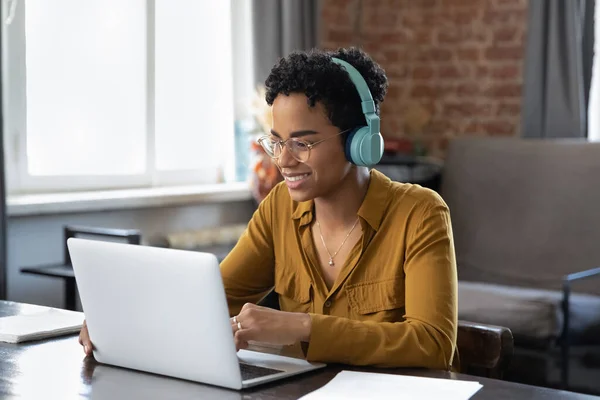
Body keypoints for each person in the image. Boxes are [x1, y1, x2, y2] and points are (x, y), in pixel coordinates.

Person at [79, 47, 458, 370]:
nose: (284, 160)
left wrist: (303, 326)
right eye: (276, 142)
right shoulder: (279, 208)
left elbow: (434, 344)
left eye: (302, 144)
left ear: (360, 143)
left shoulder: (420, 213)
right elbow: (212, 297)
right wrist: (122, 323)